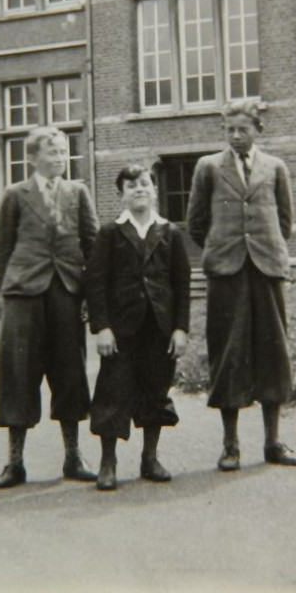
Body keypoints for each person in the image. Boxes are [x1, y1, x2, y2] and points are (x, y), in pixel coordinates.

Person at [185, 99, 296, 470]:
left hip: (265, 269)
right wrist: (225, 249)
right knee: (228, 354)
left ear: (257, 130)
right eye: (230, 130)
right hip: (226, 271)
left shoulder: (275, 168)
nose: (236, 136)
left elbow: (285, 221)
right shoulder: (207, 168)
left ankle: (273, 441)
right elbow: (197, 222)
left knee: (273, 354)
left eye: (243, 129)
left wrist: (263, 249)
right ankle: (231, 445)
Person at [0, 126, 100, 489]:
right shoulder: (15, 195)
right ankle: (14, 463)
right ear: (32, 157)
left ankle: (73, 456)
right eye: (51, 153)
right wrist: (14, 285)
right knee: (19, 375)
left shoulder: (78, 192)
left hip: (66, 292)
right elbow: (1, 248)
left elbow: (92, 244)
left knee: (70, 375)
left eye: (64, 151)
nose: (59, 159)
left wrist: (86, 293)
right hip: (24, 296)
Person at [86, 163, 192, 491]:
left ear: (155, 190)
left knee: (155, 391)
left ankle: (150, 457)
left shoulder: (170, 232)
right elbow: (96, 283)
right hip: (121, 330)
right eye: (131, 186)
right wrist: (102, 327)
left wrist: (180, 328)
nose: (139, 190)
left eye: (145, 184)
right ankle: (108, 462)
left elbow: (181, 283)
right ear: (121, 195)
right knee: (112, 392)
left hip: (159, 328)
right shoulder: (109, 233)